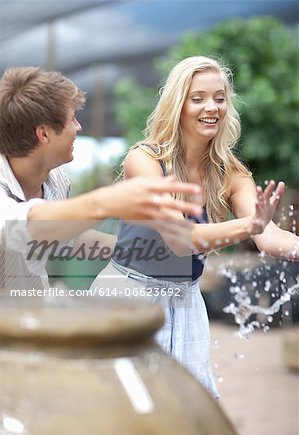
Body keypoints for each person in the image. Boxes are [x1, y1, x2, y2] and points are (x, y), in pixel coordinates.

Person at [90, 56, 299, 399]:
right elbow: (181, 240)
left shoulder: (232, 173)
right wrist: (250, 224)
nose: (212, 107)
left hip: (185, 300)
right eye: (198, 97)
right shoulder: (144, 160)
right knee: (128, 407)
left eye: (220, 98)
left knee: (190, 408)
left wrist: (263, 228)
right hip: (128, 296)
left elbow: (270, 237)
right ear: (178, 104)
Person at [0, 66, 202, 294]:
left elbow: (69, 236)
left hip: (25, 314)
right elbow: (22, 226)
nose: (79, 127)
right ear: (44, 134)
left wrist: (137, 251)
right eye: (72, 119)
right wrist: (109, 201)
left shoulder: (56, 179)